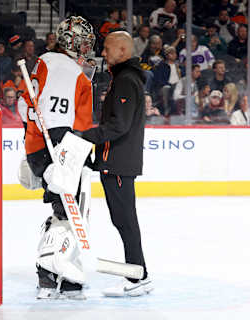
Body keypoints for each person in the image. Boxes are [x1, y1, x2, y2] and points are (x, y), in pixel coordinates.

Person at [23, 16, 95, 300]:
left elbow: (26, 106)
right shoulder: (65, 67)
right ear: (73, 41)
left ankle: (58, 276)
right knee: (70, 212)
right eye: (84, 40)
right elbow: (56, 118)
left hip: (49, 146)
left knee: (67, 211)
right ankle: (50, 276)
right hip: (59, 147)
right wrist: (61, 159)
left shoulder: (47, 62)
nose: (88, 46)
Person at [77, 31, 152, 297]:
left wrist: (83, 136)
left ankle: (137, 277)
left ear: (122, 50)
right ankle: (138, 274)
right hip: (114, 162)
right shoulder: (123, 79)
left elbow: (119, 125)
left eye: (107, 49)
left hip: (118, 163)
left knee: (125, 221)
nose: (104, 54)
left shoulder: (126, 81)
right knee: (123, 220)